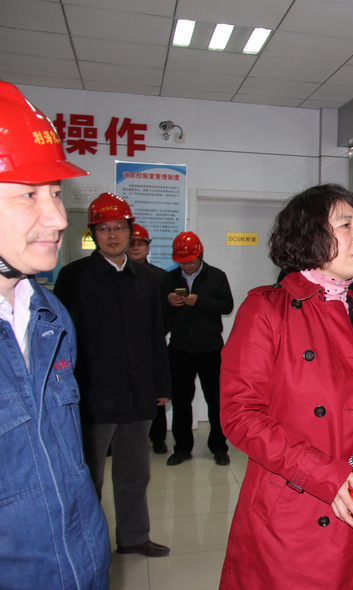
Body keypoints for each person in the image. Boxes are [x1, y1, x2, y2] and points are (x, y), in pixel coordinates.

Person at [219, 184, 353, 589]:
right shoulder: (266, 310)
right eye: (345, 225)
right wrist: (324, 473)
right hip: (295, 506)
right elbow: (240, 415)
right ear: (309, 235)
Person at [0, 81, 111, 589]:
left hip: (81, 568)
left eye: (56, 193)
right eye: (29, 194)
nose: (59, 218)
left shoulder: (49, 315)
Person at [54, 192, 171, 558]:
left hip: (138, 393)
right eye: (103, 229)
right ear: (93, 234)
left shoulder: (147, 278)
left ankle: (134, 537)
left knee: (135, 474)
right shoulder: (75, 276)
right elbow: (62, 338)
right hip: (93, 396)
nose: (113, 235)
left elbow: (156, 334)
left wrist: (162, 384)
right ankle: (86, 546)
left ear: (130, 230)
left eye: (119, 227)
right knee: (89, 477)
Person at [161, 231, 234, 466]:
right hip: (179, 348)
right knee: (181, 402)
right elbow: (157, 310)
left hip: (210, 349)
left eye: (191, 261)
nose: (187, 266)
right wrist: (168, 302)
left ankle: (219, 447)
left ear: (200, 255)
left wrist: (200, 301)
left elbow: (227, 306)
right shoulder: (169, 279)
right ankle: (182, 448)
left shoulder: (216, 276)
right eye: (182, 262)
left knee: (216, 401)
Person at [126, 223, 171, 454]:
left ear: (148, 247)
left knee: (155, 393)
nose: (136, 248)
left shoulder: (160, 276)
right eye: (132, 244)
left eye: (140, 244)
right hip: (123, 347)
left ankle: (158, 438)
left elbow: (167, 314)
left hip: (151, 345)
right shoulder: (118, 275)